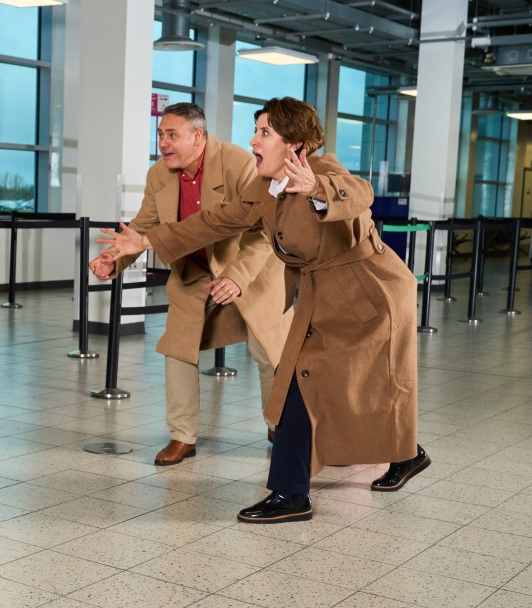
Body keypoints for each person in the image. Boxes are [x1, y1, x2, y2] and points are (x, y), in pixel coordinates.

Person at [96, 97, 430, 523]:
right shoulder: (264, 186)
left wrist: (317, 190)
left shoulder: (323, 169)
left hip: (371, 293)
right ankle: (376, 463)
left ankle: (301, 491)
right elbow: (214, 221)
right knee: (315, 380)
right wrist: (144, 242)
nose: (253, 140)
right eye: (255, 130)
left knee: (368, 380)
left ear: (295, 145)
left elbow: (359, 195)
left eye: (264, 132)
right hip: (320, 293)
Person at [90, 103, 292, 466]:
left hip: (248, 267)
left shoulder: (238, 164)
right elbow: (144, 229)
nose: (163, 143)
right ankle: (182, 436)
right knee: (178, 348)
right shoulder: (159, 175)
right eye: (161, 134)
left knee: (268, 350)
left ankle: (278, 423)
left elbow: (264, 231)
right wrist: (114, 260)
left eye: (172, 135)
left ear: (198, 137)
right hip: (193, 271)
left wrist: (237, 276)